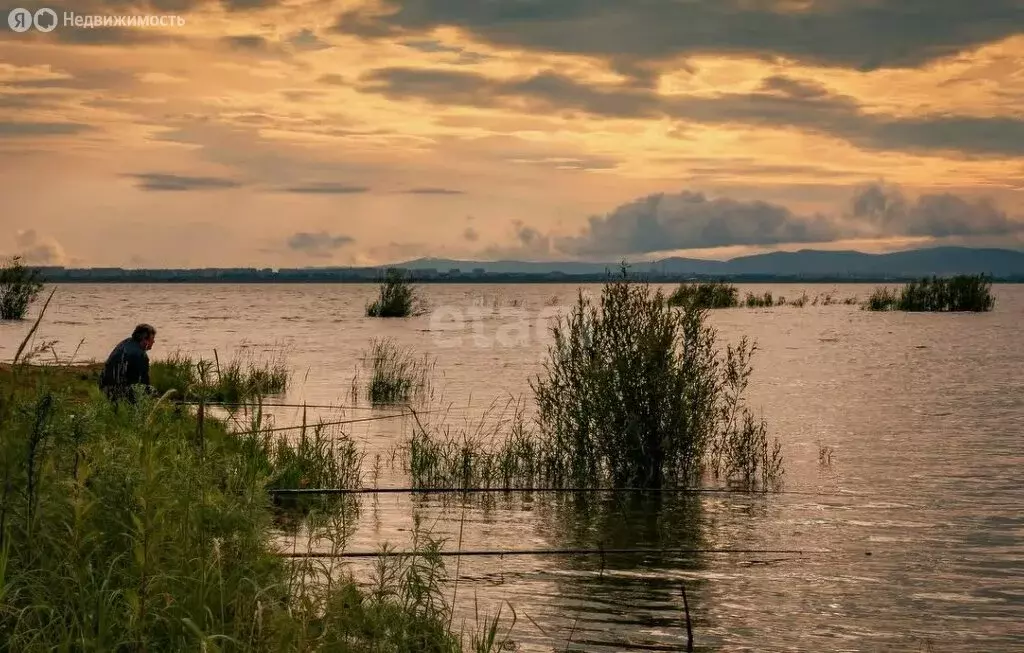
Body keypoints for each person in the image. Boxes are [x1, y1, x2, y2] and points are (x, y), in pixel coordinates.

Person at [100, 323, 157, 403]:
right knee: (151, 390)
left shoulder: (125, 342)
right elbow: (143, 382)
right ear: (144, 340)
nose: (154, 341)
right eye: (152, 338)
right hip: (118, 392)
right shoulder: (140, 355)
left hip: (103, 388)